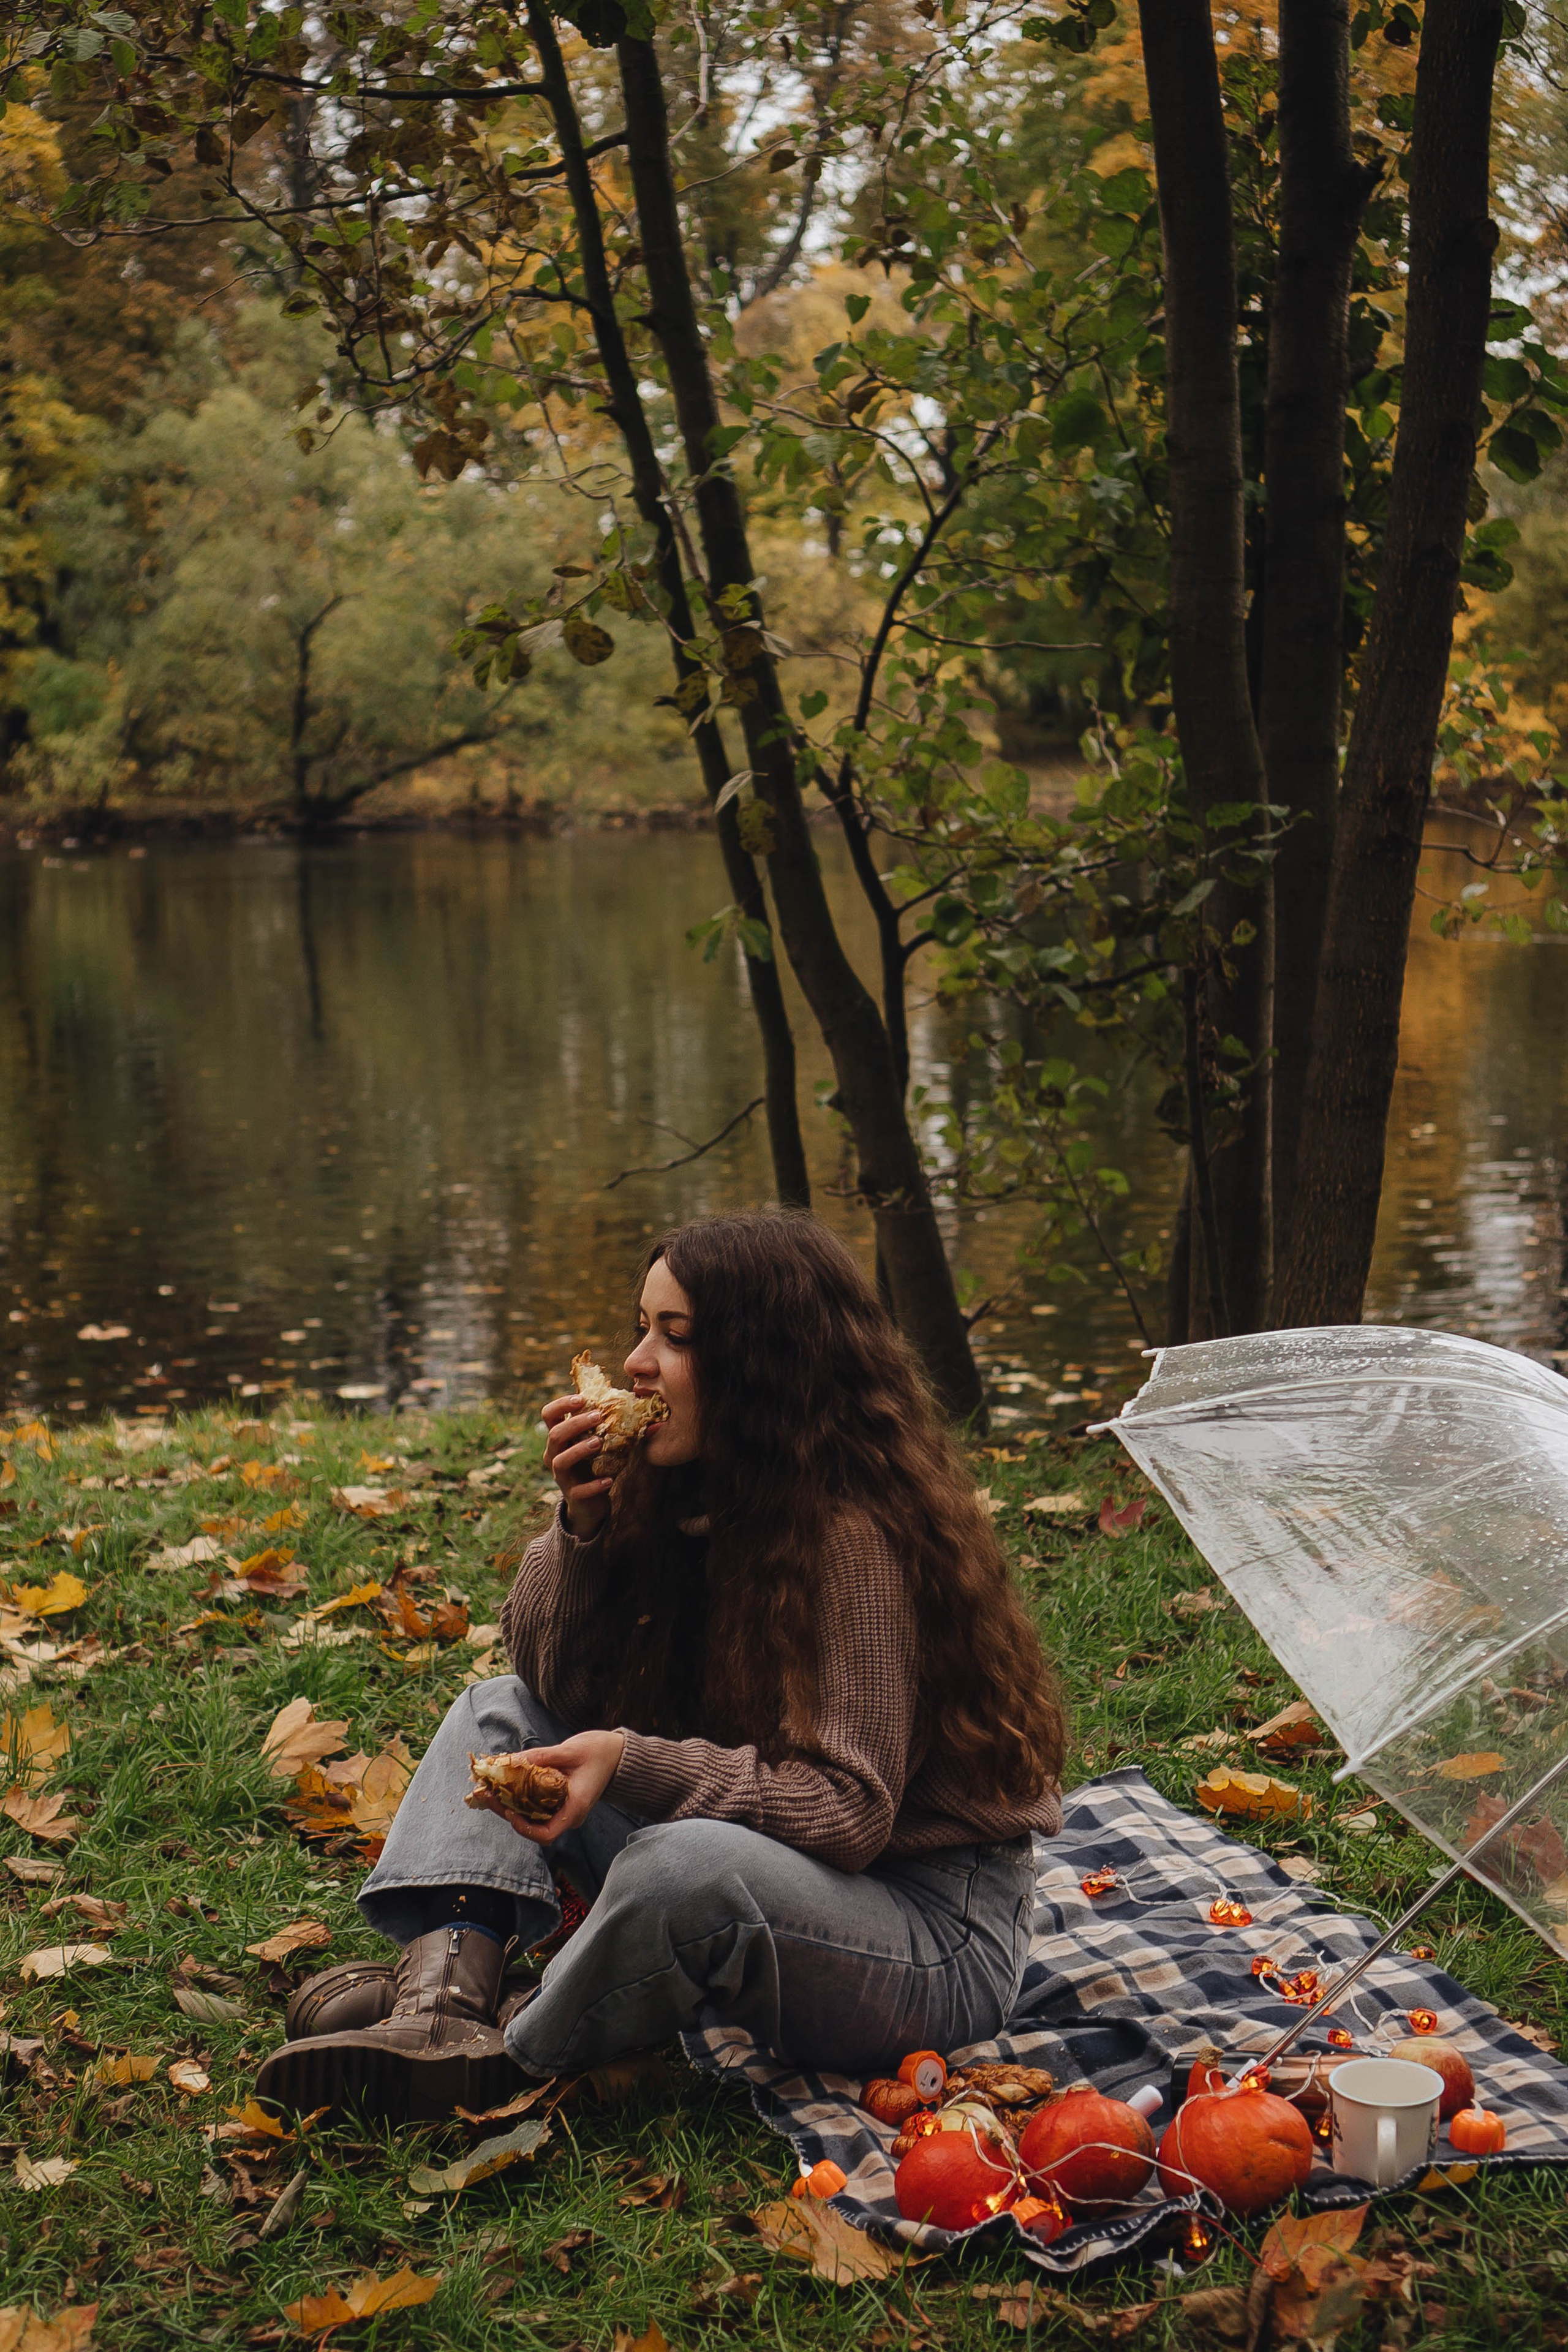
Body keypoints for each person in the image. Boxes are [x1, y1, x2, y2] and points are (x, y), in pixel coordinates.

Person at [255, 1210, 1066, 2122]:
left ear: (765, 1366)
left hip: (926, 1937)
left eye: (675, 1337)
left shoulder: (851, 1534)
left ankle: (513, 2056)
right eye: (641, 1327)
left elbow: (848, 1813)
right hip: (782, 1881)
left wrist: (631, 1763)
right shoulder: (691, 1489)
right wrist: (583, 1531)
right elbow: (552, 1684)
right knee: (499, 1713)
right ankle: (439, 2004)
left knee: (686, 1867)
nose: (638, 1360)